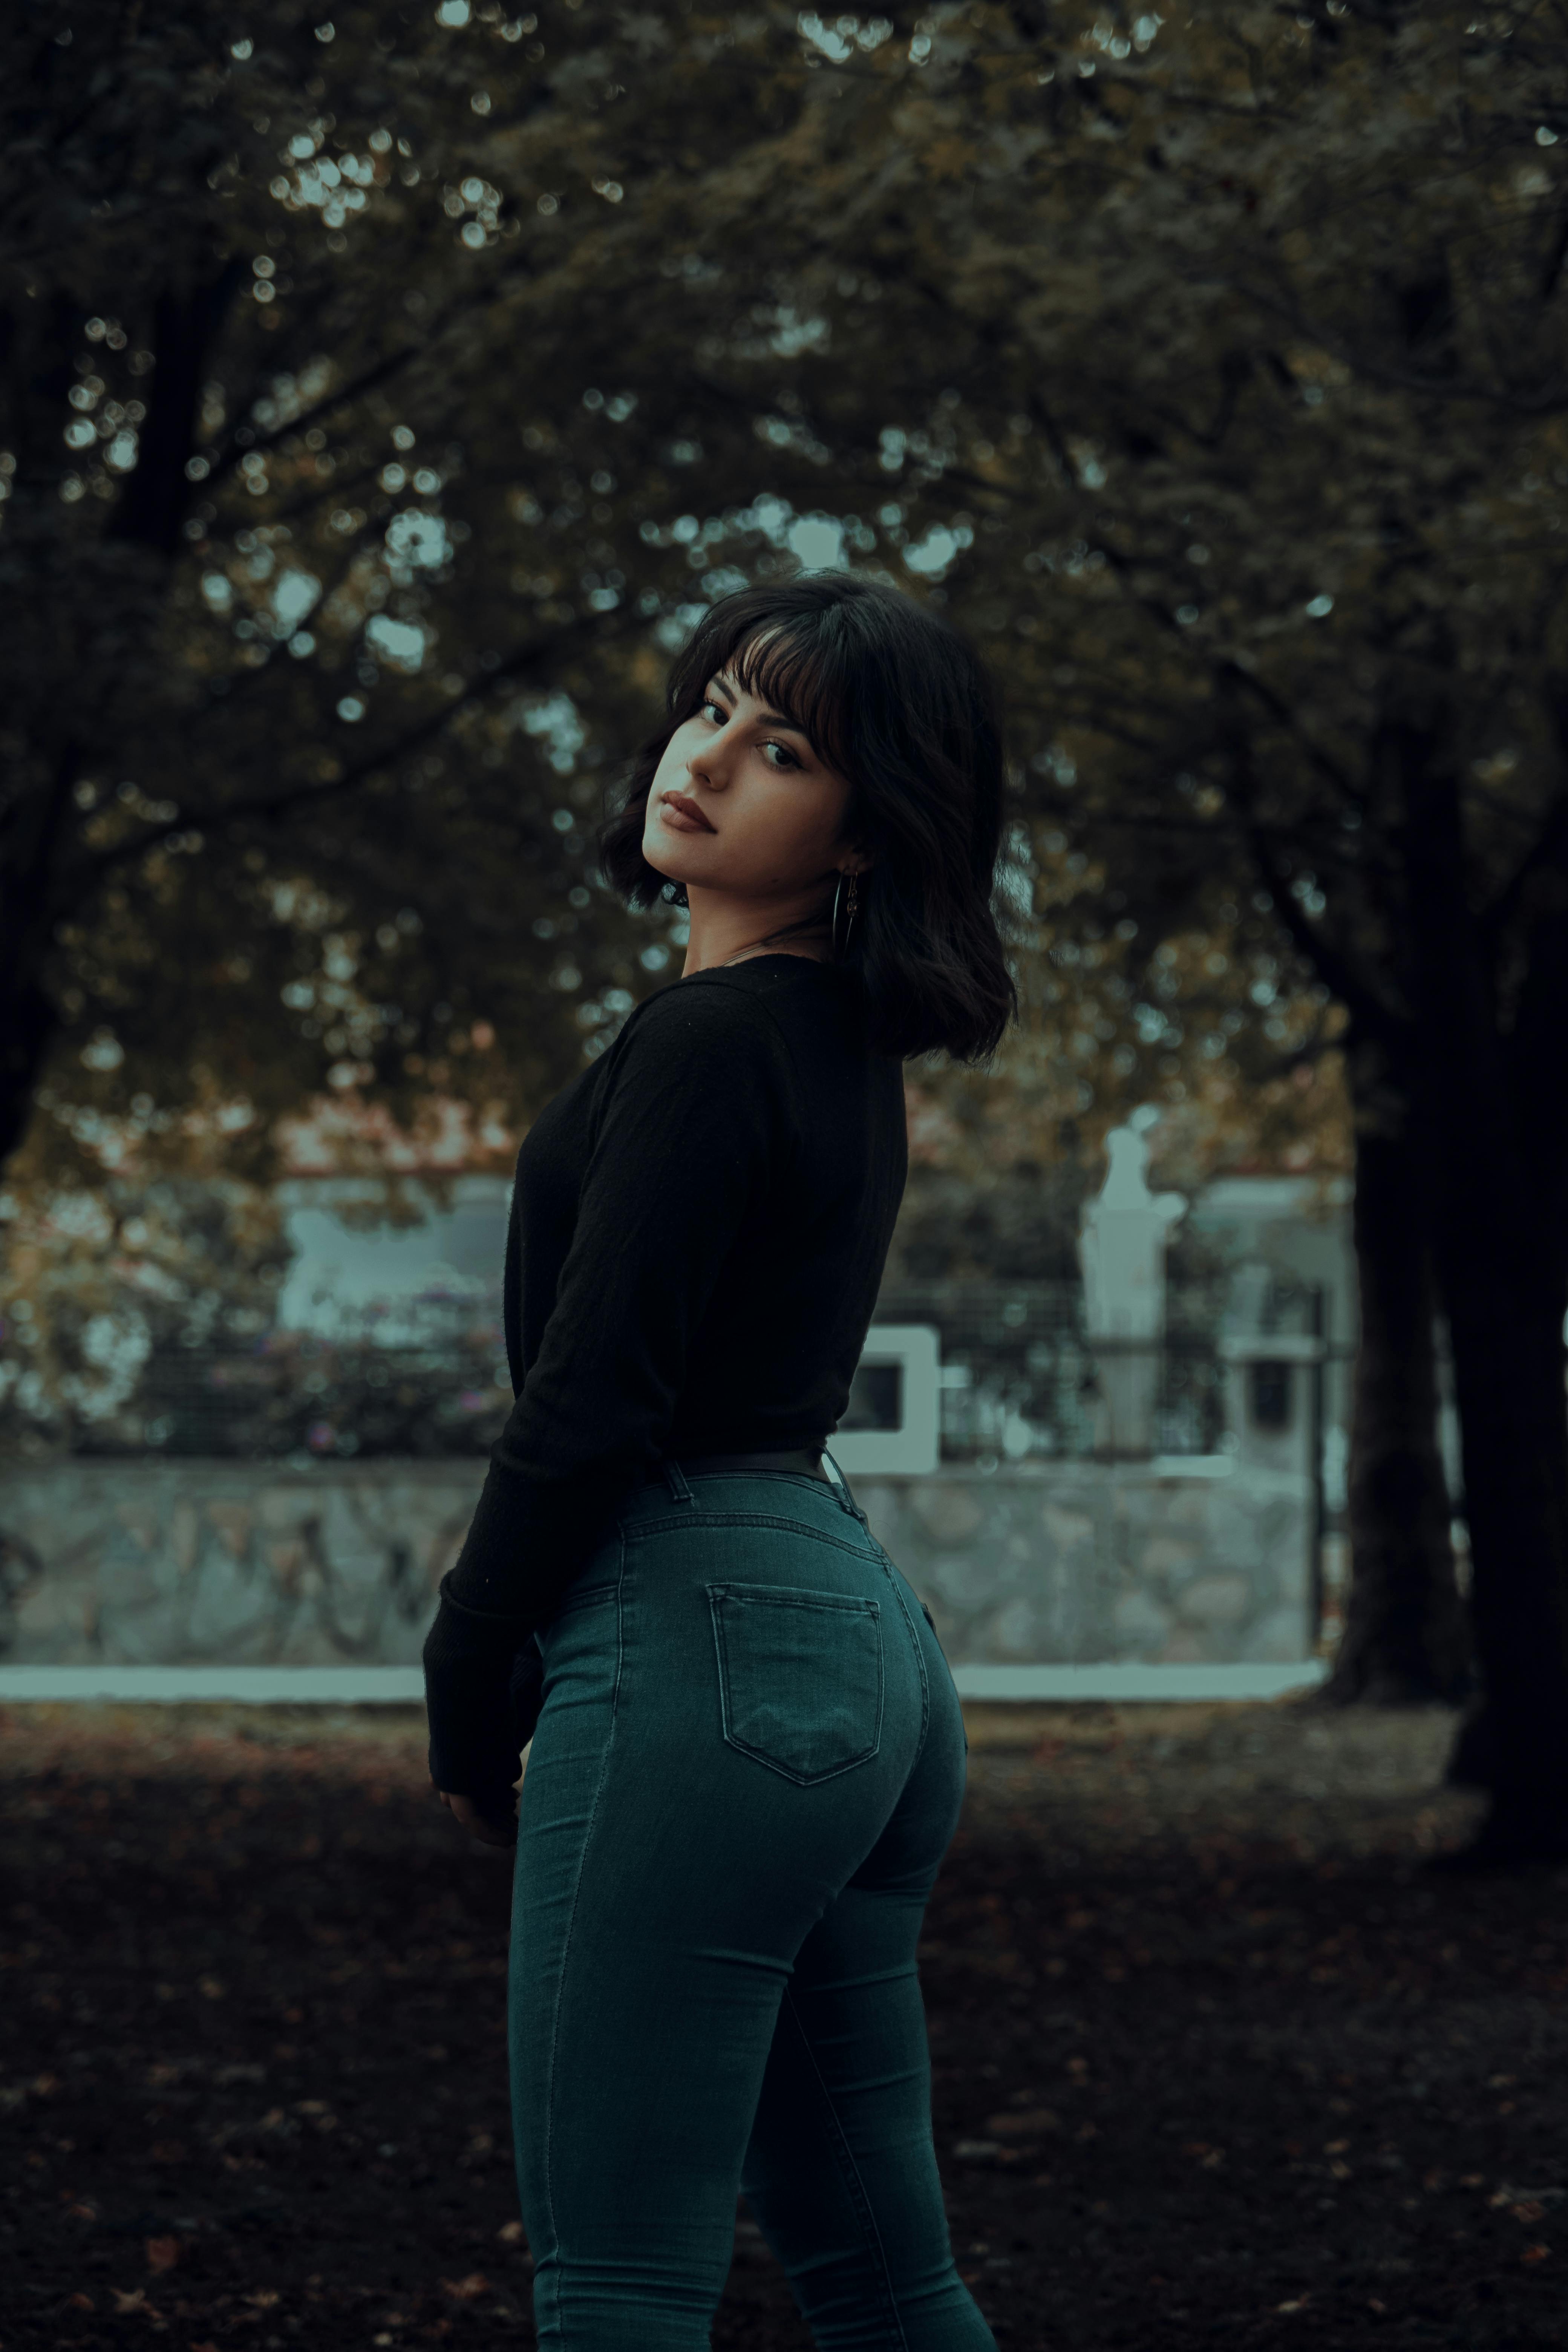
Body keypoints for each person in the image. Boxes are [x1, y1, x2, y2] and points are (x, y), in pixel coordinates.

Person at [422, 574, 1016, 2349]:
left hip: (703, 1639)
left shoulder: (706, 1038)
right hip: (856, 1646)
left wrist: (467, 1667)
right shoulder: (834, 1041)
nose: (706, 760)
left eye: (782, 750)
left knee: (617, 2284)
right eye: (710, 709)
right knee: (884, 2278)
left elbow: (596, 1396)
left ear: (862, 831)